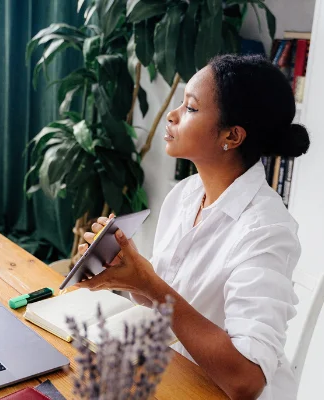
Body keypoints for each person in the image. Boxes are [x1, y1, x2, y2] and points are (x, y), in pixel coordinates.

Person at [75, 54, 310, 400]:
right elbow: (170, 298)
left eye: (191, 108)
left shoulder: (266, 230)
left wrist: (150, 285)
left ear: (232, 135)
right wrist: (129, 275)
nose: (172, 115)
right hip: (174, 372)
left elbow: (247, 381)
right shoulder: (185, 194)